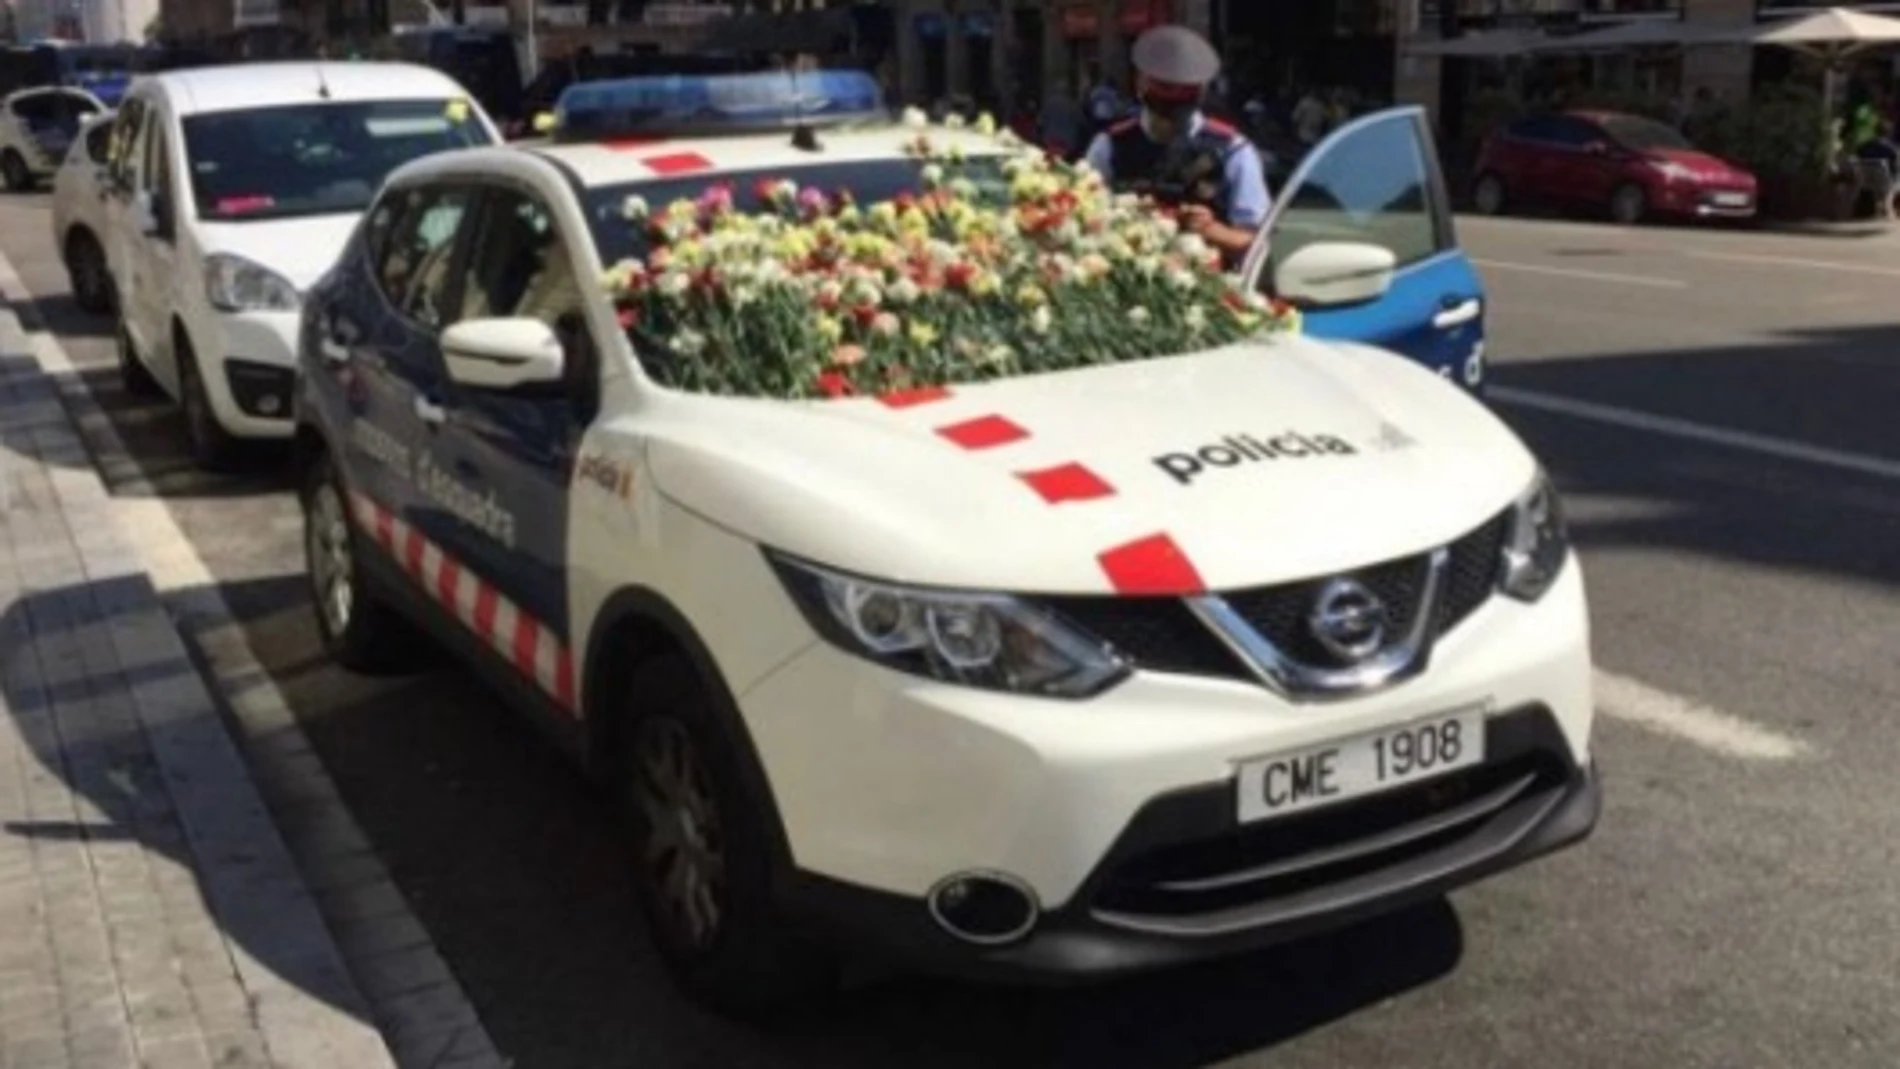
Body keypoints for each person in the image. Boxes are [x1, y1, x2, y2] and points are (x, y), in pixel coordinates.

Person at [1082, 24, 1271, 265]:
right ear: (1140, 84)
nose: (1168, 125)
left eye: (1178, 114)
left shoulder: (1233, 151)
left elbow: (1256, 244)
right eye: (1160, 111)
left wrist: (1211, 230)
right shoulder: (1108, 146)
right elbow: (1079, 221)